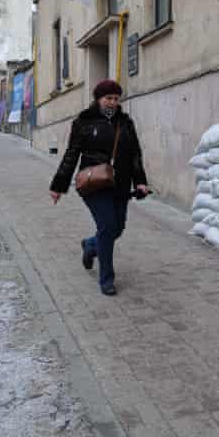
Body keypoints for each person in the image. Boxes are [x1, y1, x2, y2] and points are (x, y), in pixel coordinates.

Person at [49, 79, 149, 295]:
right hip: (93, 184)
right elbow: (71, 155)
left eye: (115, 98)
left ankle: (90, 246)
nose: (112, 102)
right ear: (98, 99)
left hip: (120, 185)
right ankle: (106, 279)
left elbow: (135, 155)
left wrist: (140, 181)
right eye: (108, 98)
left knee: (117, 228)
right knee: (107, 225)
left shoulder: (125, 123)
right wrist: (58, 185)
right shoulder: (84, 122)